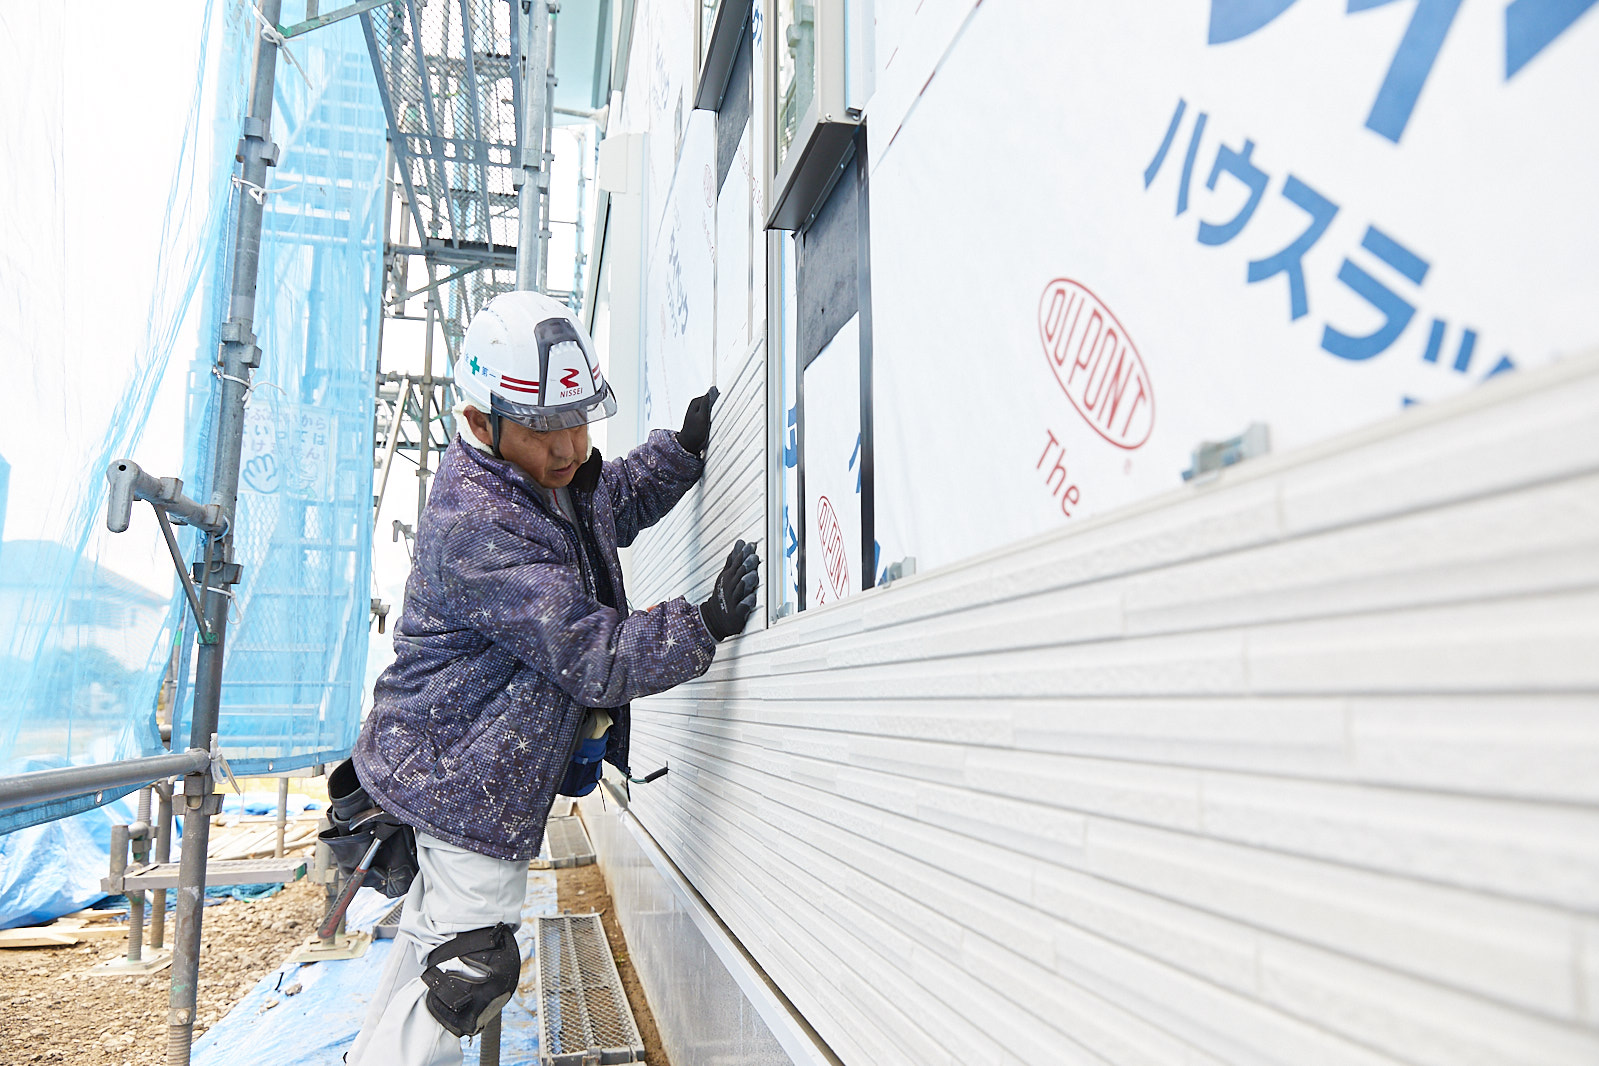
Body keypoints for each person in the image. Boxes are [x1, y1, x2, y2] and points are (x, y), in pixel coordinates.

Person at [344, 290, 759, 1065]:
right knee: (471, 969)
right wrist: (701, 625)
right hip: (457, 779)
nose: (569, 445)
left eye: (580, 419)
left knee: (437, 950)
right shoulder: (478, 523)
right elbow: (592, 656)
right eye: (544, 429)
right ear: (479, 425)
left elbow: (609, 504)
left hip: (442, 765)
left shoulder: (535, 479)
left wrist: (682, 451)